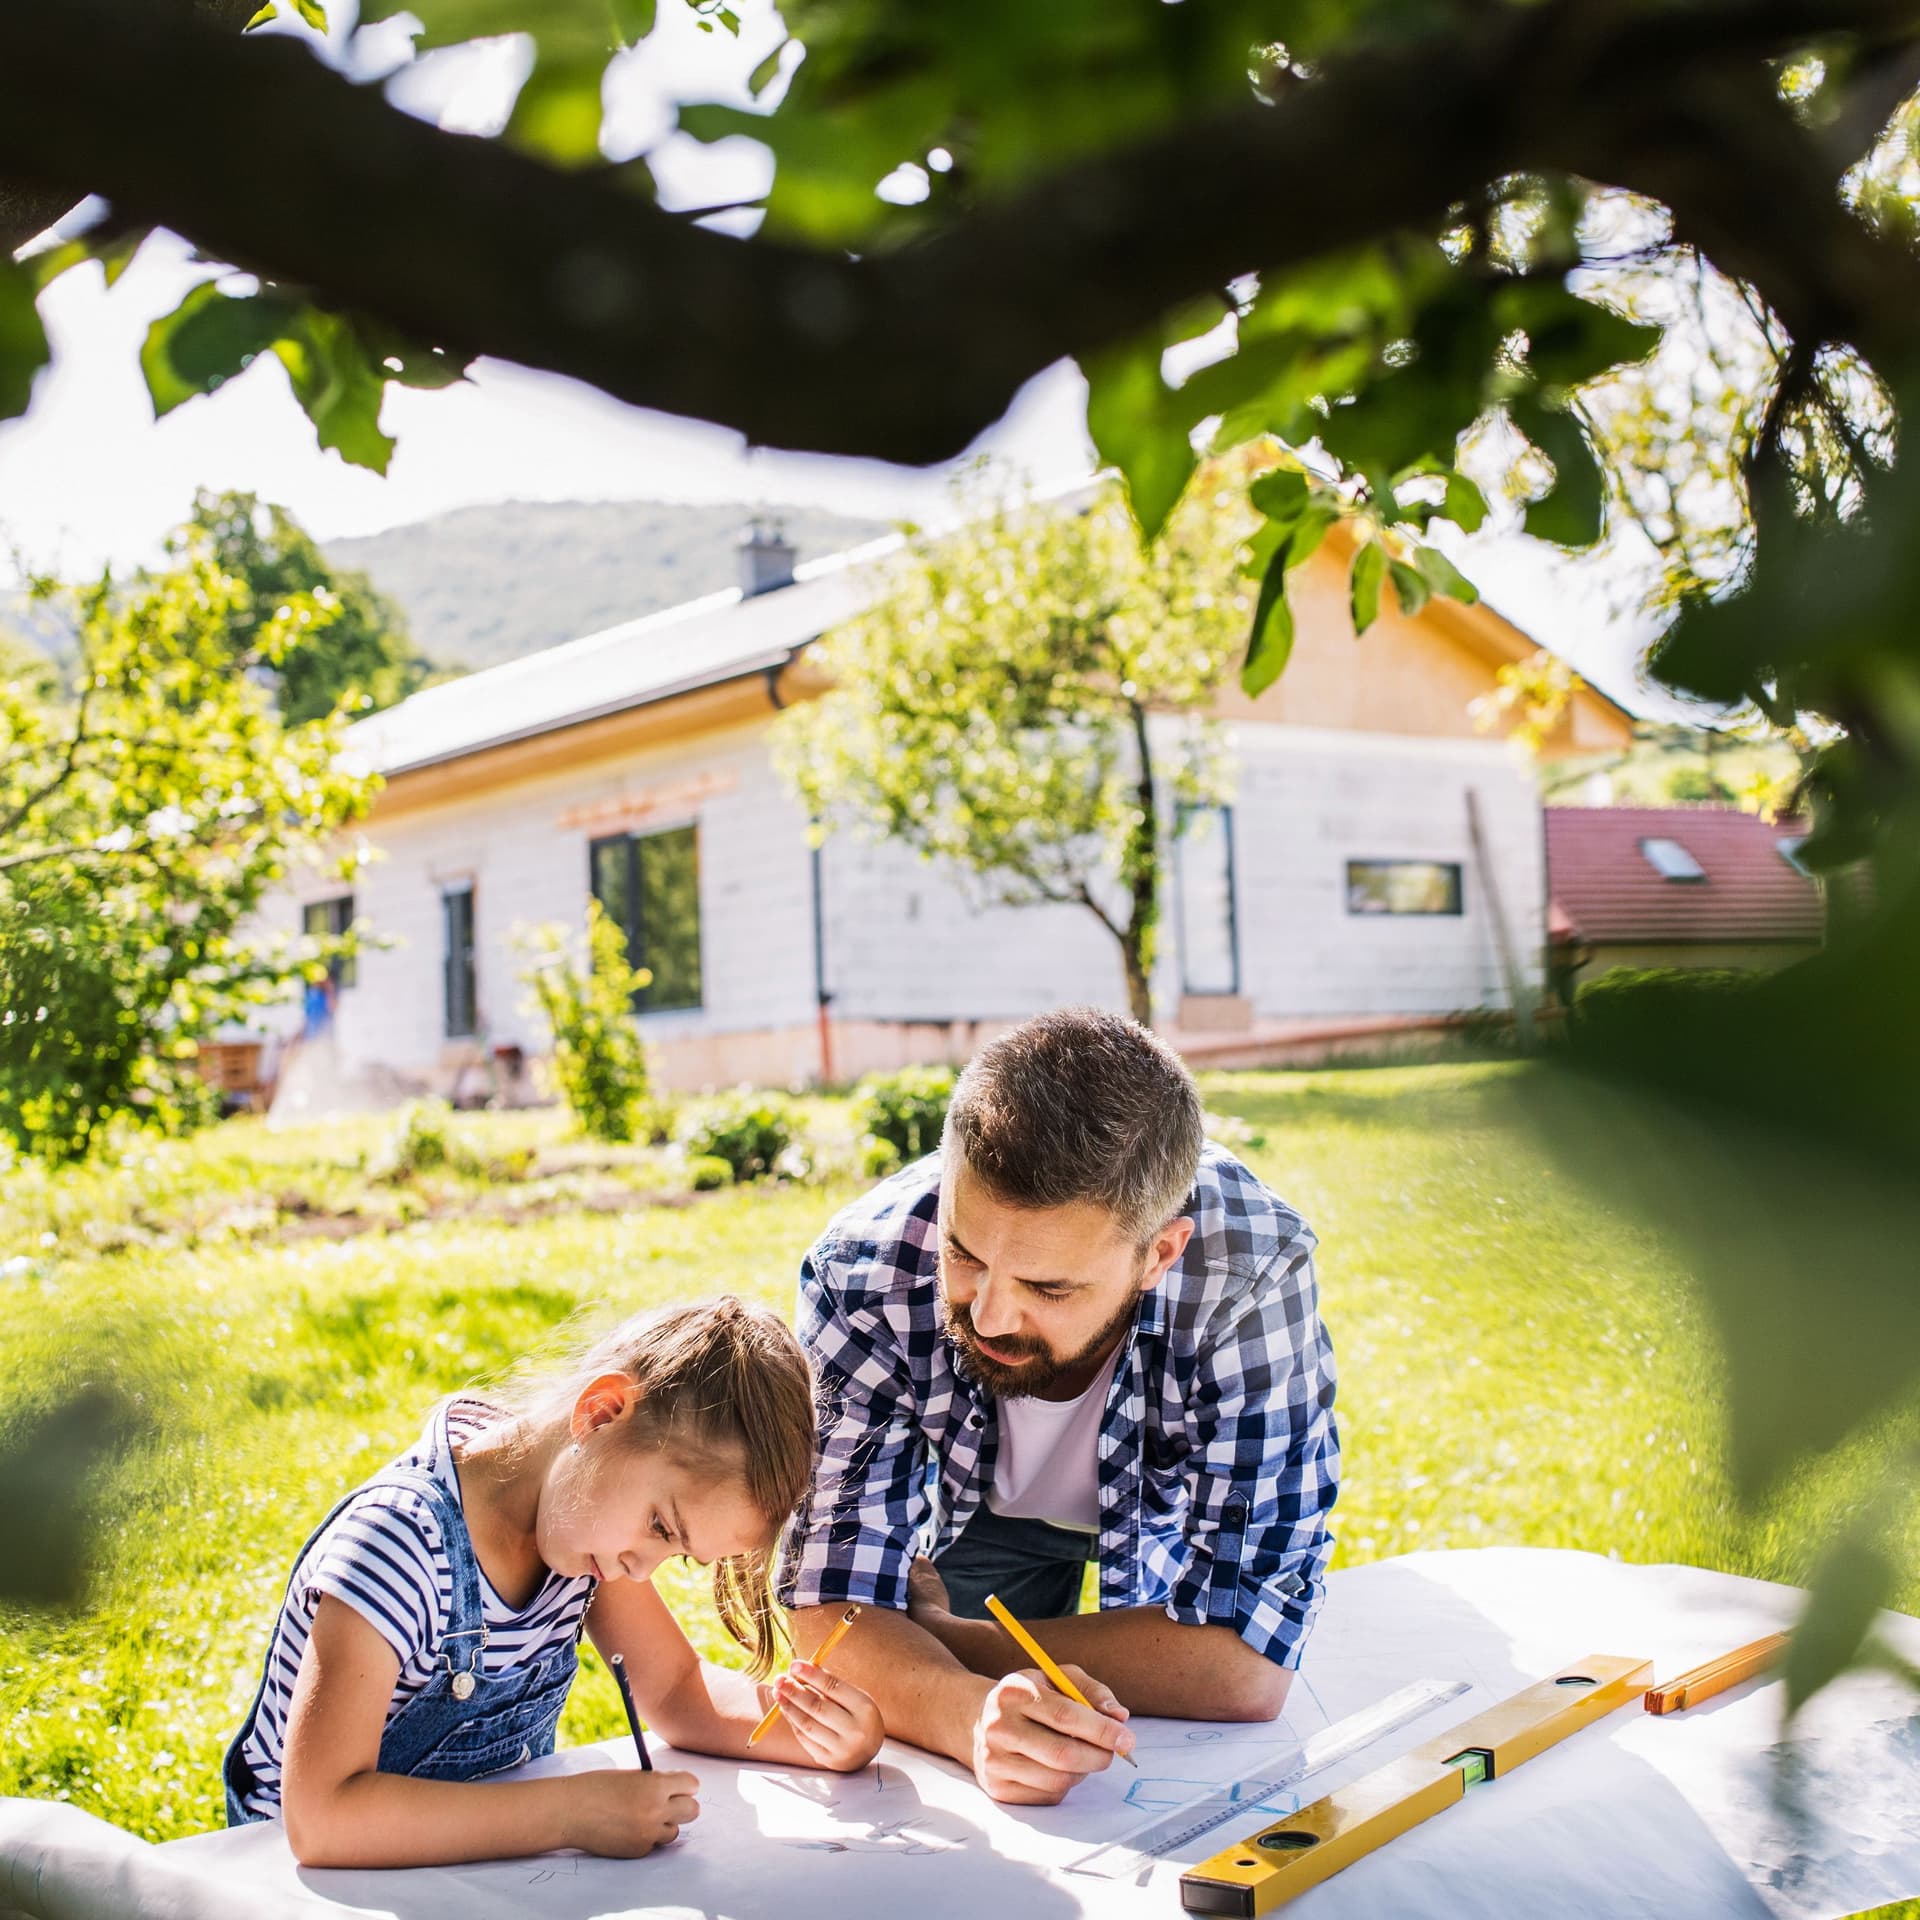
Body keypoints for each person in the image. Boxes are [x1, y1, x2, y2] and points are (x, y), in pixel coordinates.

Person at [780, 1008, 1339, 1806]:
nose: (990, 1316)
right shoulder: (864, 1267)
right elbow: (830, 1620)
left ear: (1160, 1254)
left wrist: (942, 1642)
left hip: (1162, 1529)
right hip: (977, 1510)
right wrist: (967, 1711)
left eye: (1049, 1287)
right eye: (964, 1255)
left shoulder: (1249, 1275)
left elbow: (1243, 1664)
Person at [224, 1298, 884, 1867]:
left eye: (676, 1554)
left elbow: (678, 1690)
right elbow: (320, 1819)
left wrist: (811, 1734)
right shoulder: (399, 1545)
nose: (641, 1568)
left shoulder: (583, 1538)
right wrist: (566, 1816)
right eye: (660, 1525)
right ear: (600, 1413)